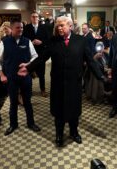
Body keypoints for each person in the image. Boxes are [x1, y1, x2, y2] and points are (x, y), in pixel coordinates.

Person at [18, 16, 104, 147]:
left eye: (62, 25)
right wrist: (28, 68)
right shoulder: (53, 41)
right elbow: (42, 58)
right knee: (59, 112)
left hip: (74, 83)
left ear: (70, 26)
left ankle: (74, 132)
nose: (59, 28)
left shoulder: (81, 41)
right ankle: (59, 134)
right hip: (58, 83)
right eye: (57, 25)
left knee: (74, 111)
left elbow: (90, 61)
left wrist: (101, 76)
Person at [0, 19, 41, 136]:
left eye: (21, 27)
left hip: (25, 76)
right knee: (13, 102)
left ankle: (31, 123)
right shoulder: (4, 42)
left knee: (27, 101)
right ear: (11, 28)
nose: (20, 29)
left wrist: (28, 64)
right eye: (18, 28)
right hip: (11, 77)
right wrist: (2, 75)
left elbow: (35, 57)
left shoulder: (27, 41)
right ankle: (13, 124)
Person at [23, 12, 49, 97]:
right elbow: (24, 39)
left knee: (42, 73)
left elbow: (48, 40)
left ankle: (43, 90)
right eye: (33, 16)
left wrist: (41, 42)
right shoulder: (27, 28)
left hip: (41, 53)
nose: (34, 18)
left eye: (36, 17)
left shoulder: (44, 27)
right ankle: (29, 91)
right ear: (31, 18)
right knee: (29, 72)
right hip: (30, 54)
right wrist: (31, 42)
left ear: (38, 18)